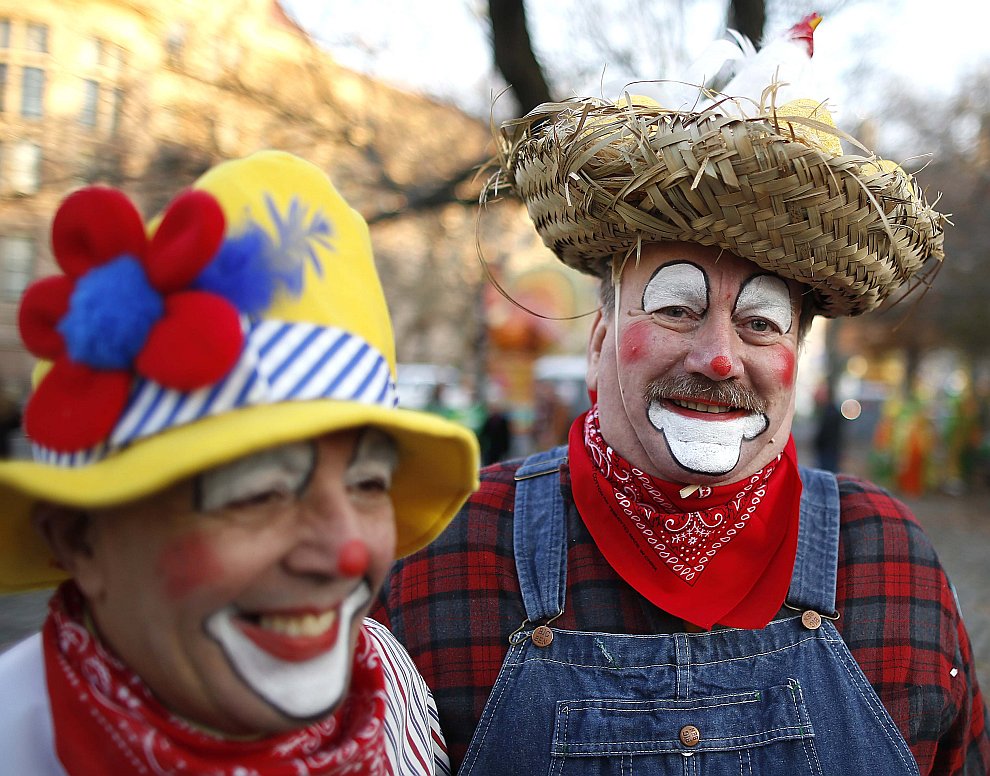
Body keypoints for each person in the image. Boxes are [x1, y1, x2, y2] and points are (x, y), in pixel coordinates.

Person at [372, 45, 990, 776]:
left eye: (761, 323)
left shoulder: (892, 558)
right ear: (601, 339)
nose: (719, 357)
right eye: (675, 308)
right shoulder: (446, 550)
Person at [0, 151, 479, 774]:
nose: (347, 553)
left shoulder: (392, 687)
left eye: (367, 484)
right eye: (259, 494)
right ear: (80, 539)